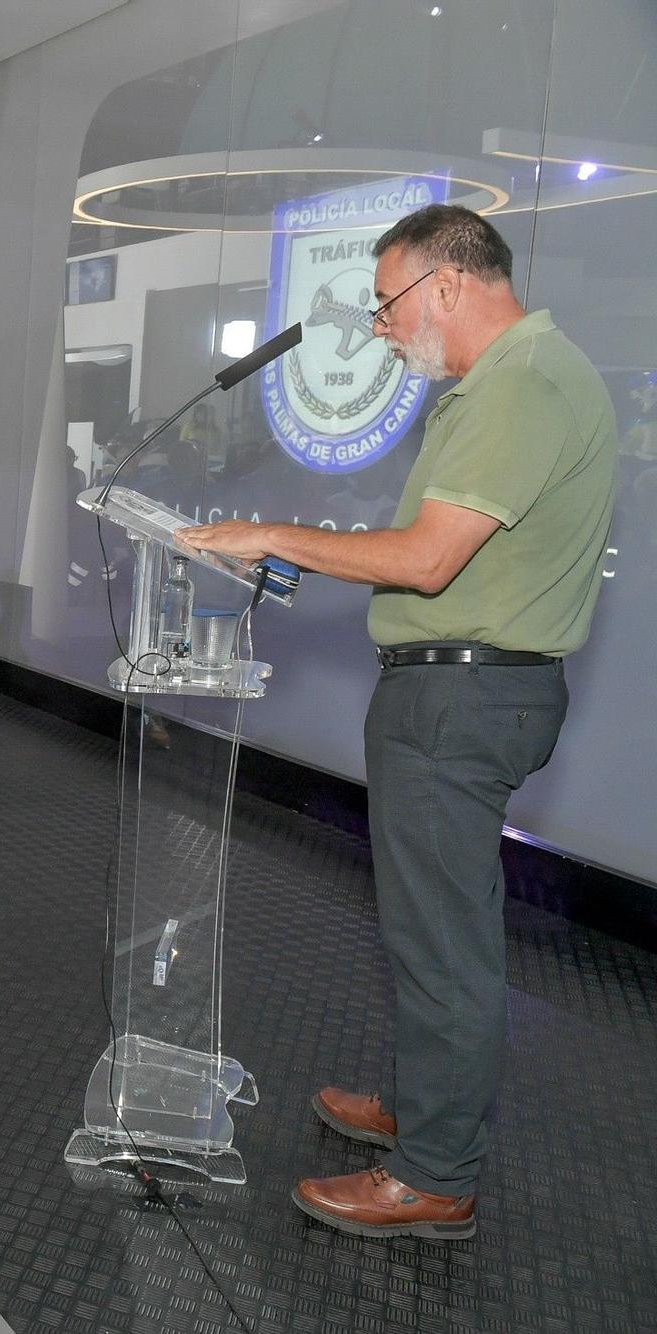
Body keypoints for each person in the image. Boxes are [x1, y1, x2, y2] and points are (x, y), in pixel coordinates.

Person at [180, 204, 617, 1241]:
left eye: (386, 303)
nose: (380, 327)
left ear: (448, 283)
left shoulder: (520, 384)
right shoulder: (514, 380)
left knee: (442, 942)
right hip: (459, 688)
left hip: (462, 699)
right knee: (426, 929)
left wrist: (269, 528)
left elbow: (425, 560)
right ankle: (426, 1113)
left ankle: (433, 1174)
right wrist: (279, 555)